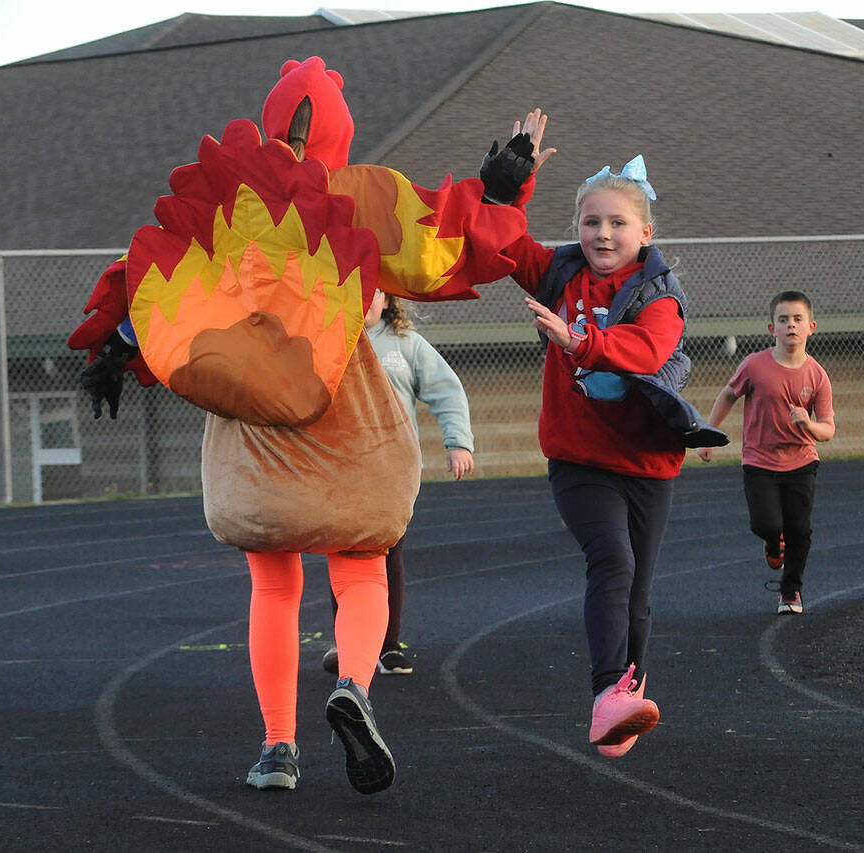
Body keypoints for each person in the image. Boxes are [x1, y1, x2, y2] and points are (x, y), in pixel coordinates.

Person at [69, 57, 529, 794]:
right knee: (361, 566)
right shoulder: (365, 193)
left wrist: (116, 349)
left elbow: (153, 265)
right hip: (347, 418)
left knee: (274, 588)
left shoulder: (236, 188)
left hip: (253, 425)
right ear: (339, 129)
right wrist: (505, 187)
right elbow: (448, 247)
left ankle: (277, 748)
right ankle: (354, 684)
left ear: (274, 117)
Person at [486, 112, 725, 759]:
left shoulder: (659, 292)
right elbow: (502, 244)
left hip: (647, 459)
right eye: (591, 222)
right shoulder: (560, 273)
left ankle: (622, 701)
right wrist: (513, 183)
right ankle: (605, 694)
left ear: (646, 233)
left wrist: (579, 340)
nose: (602, 232)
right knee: (612, 562)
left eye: (617, 222)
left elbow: (649, 349)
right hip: (580, 456)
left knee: (638, 593)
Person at [322, 290, 476, 676]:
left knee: (389, 555)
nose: (364, 298)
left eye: (374, 291)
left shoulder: (406, 345)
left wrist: (457, 442)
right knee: (343, 556)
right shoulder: (328, 339)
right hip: (339, 468)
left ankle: (388, 646)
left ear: (389, 300)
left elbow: (447, 391)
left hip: (392, 470)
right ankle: (349, 643)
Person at [696, 291, 836, 616]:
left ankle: (791, 592)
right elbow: (729, 395)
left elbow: (828, 429)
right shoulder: (755, 366)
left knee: (800, 529)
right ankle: (773, 544)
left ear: (811, 327)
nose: (791, 326)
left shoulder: (817, 375)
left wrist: (808, 424)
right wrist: (708, 433)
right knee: (767, 523)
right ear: (772, 328)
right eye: (783, 320)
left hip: (801, 461)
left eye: (797, 320)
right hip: (759, 461)